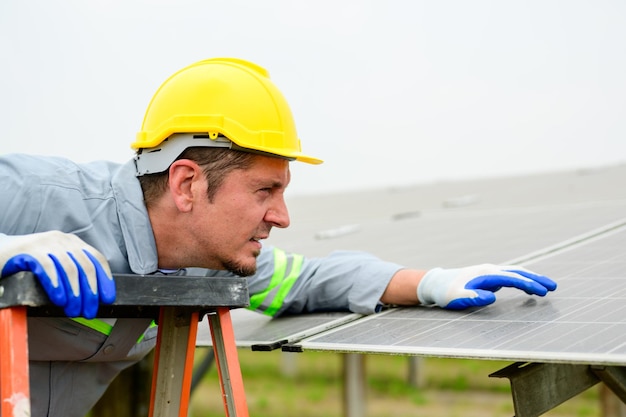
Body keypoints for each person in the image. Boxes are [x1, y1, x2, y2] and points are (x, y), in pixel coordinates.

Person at [0, 57, 557, 417]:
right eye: (265, 190)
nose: (282, 216)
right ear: (187, 182)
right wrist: (8, 250)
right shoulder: (36, 194)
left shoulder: (206, 259)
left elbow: (307, 280)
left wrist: (433, 281)